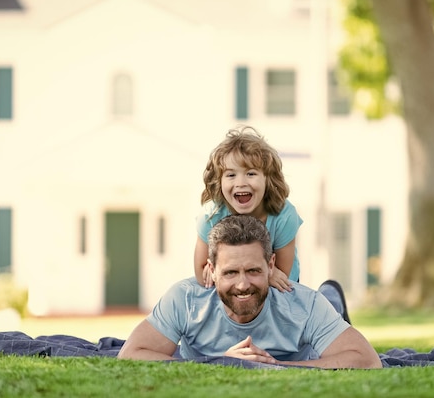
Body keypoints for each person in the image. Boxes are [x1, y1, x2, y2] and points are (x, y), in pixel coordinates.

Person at [118, 215, 382, 369]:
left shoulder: (305, 304)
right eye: (231, 273)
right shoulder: (185, 298)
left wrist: (276, 366)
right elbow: (131, 353)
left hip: (312, 317)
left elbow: (368, 361)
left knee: (328, 307)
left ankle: (332, 299)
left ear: (271, 265)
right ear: (211, 269)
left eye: (253, 271)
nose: (243, 285)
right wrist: (220, 362)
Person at [194, 125, 302, 293]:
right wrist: (213, 274)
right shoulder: (211, 215)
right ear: (219, 181)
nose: (241, 182)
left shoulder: (284, 215)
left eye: (251, 173)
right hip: (228, 290)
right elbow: (201, 272)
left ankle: (332, 300)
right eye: (231, 175)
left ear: (267, 179)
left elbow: (282, 275)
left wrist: (268, 274)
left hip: (279, 291)